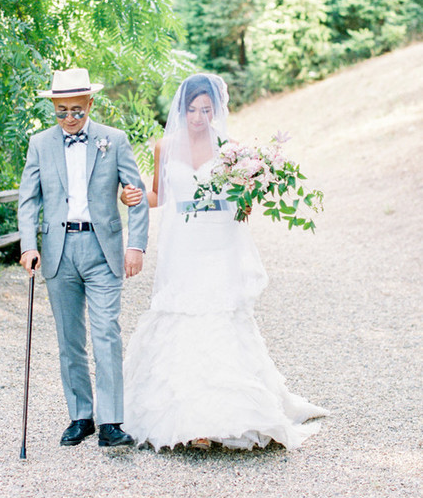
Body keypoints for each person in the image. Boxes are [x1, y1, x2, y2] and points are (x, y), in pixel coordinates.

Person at [121, 73, 328, 451]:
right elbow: (159, 196)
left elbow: (243, 200)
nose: (198, 117)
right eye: (192, 109)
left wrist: (252, 192)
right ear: (181, 109)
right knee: (182, 315)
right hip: (183, 242)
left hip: (218, 241)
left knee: (220, 316)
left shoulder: (230, 148)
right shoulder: (164, 147)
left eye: (206, 109)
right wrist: (133, 198)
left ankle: (231, 415)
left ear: (216, 109)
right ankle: (189, 420)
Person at [18, 67, 149, 448]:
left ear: (91, 103)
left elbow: (135, 192)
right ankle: (81, 416)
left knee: (106, 333)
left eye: (77, 110)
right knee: (69, 338)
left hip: (102, 248)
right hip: (58, 251)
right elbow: (29, 200)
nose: (70, 118)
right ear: (53, 108)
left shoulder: (114, 140)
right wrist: (28, 245)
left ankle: (111, 422)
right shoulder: (40, 144)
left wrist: (136, 245)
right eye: (62, 111)